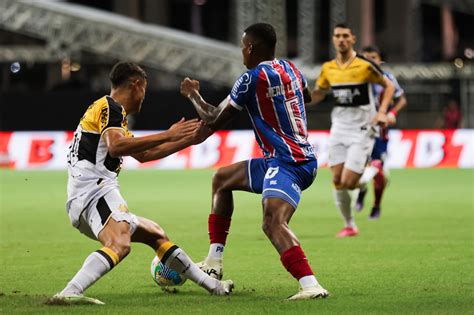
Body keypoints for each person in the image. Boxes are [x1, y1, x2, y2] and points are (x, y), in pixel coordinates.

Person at [48, 61, 233, 305]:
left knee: (154, 234)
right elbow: (117, 147)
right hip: (94, 194)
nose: (144, 97)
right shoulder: (110, 106)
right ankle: (70, 291)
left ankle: (214, 287)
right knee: (120, 243)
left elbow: (143, 155)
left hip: (88, 197)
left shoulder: (112, 115)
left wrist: (189, 140)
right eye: (144, 89)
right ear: (135, 85)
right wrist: (169, 134)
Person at [180, 23, 328, 300]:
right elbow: (305, 97)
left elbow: (212, 118)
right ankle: (213, 263)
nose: (241, 53)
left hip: (290, 162)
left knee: (272, 222)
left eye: (242, 47)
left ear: (250, 47)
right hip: (282, 158)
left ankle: (311, 285)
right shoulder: (291, 69)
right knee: (221, 179)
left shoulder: (251, 78)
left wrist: (192, 94)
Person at [307, 23, 395, 237]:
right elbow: (320, 93)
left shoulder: (364, 65)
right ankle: (349, 225)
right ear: (333, 39)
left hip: (362, 130)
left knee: (348, 181)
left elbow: (389, 85)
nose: (341, 39)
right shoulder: (328, 68)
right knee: (337, 180)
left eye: (346, 35)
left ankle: (373, 169)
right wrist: (302, 99)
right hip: (338, 128)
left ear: (353, 39)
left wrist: (382, 111)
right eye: (337, 36)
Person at [353, 45, 408, 219]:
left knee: (378, 170)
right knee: (357, 173)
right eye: (366, 57)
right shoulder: (356, 79)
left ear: (380, 60)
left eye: (373, 57)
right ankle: (362, 190)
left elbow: (401, 100)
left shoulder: (387, 79)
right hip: (358, 131)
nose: (370, 60)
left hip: (379, 132)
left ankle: (376, 205)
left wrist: (391, 113)